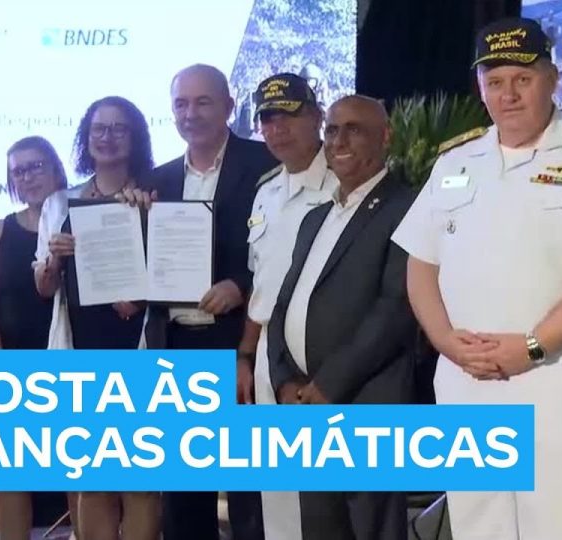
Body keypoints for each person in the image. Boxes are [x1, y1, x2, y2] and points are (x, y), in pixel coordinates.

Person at [391, 17, 562, 540]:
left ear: (551, 80)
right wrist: (444, 341)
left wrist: (532, 347)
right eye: (495, 81)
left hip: (557, 374)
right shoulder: (454, 161)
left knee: (555, 528)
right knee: (476, 525)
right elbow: (421, 264)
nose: (507, 94)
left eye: (522, 79)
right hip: (467, 375)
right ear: (480, 88)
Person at [265, 94, 416, 540]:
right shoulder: (316, 218)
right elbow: (283, 305)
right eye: (332, 130)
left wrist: (329, 384)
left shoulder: (408, 207)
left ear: (385, 137)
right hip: (305, 406)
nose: (338, 141)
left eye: (354, 130)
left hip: (366, 402)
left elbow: (396, 309)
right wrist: (284, 380)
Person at [140, 63, 278, 540]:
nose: (190, 113)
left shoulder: (265, 164)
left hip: (238, 342)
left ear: (229, 107)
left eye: (203, 102)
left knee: (248, 492)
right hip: (173, 346)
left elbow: (285, 248)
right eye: (181, 103)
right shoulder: (154, 181)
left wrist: (240, 284)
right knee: (182, 497)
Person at [33, 97, 159, 540]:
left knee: (140, 482)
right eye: (98, 129)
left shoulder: (153, 195)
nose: (107, 138)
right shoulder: (58, 203)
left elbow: (172, 271)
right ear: (86, 138)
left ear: (135, 137)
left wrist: (141, 297)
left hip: (138, 349)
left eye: (119, 129)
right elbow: (44, 287)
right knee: (92, 481)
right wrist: (54, 257)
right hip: (81, 351)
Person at [233, 72, 338, 539]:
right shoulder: (267, 191)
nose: (277, 130)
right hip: (267, 357)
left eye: (289, 116)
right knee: (276, 491)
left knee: (325, 496)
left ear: (316, 116)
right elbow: (261, 286)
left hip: (322, 355)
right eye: (268, 120)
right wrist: (246, 355)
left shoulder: (343, 183)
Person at [0, 136, 79, 540]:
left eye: (36, 167)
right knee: (11, 472)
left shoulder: (80, 218)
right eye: (18, 171)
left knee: (77, 470)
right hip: (12, 364)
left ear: (56, 169)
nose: (28, 177)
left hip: (70, 362)